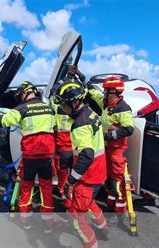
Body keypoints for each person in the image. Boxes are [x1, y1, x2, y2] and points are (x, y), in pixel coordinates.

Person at [0, 81, 56, 232]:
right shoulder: (49, 109)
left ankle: (26, 221)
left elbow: (3, 121)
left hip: (30, 157)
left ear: (23, 94)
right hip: (48, 157)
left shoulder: (21, 109)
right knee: (46, 189)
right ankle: (48, 224)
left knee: (26, 189)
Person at [54, 81, 109, 248]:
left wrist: (71, 180)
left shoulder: (80, 123)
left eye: (64, 104)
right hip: (98, 173)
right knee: (89, 202)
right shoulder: (90, 113)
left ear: (74, 102)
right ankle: (103, 228)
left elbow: (86, 154)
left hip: (88, 177)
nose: (62, 108)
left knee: (76, 220)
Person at [87, 76, 134, 226]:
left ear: (112, 91)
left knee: (117, 183)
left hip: (116, 150)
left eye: (106, 89)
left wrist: (108, 136)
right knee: (107, 179)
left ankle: (119, 214)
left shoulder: (123, 108)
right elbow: (95, 94)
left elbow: (128, 129)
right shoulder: (106, 104)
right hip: (106, 148)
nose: (104, 92)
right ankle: (110, 205)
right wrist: (82, 79)